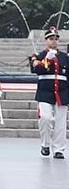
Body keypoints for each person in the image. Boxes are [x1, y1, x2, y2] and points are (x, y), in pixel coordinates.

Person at [30, 29, 67, 159]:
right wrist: (47, 59)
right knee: (45, 118)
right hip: (45, 92)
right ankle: (45, 144)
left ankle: (59, 149)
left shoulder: (64, 57)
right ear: (46, 40)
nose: (54, 41)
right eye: (51, 39)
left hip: (61, 92)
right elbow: (37, 70)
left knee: (61, 123)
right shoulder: (38, 56)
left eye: (56, 38)